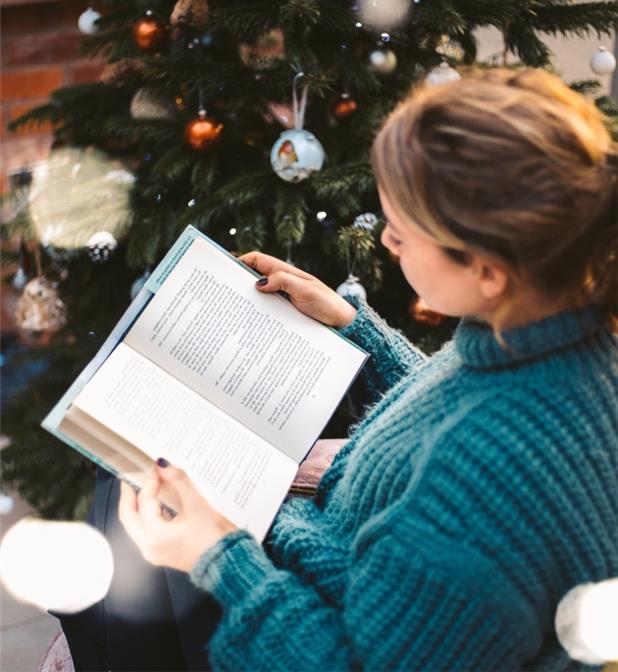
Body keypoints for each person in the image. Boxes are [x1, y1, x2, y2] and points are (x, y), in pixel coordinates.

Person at [118, 68, 618, 671]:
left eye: (402, 233)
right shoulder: (555, 330)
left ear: (488, 269)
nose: (385, 241)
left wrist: (220, 556)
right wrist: (353, 330)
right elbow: (454, 407)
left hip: (307, 602)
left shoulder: (482, 483)